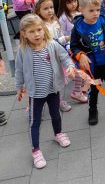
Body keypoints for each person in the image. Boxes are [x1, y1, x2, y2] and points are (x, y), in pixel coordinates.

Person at [15, 14, 75, 169]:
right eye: (32, 31)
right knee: (34, 121)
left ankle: (58, 134)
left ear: (44, 29)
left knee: (56, 114)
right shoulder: (22, 50)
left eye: (39, 30)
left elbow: (65, 57)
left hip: (53, 89)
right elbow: (19, 70)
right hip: (36, 94)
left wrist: (70, 67)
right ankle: (35, 150)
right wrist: (19, 87)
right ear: (24, 33)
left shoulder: (51, 44)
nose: (37, 34)